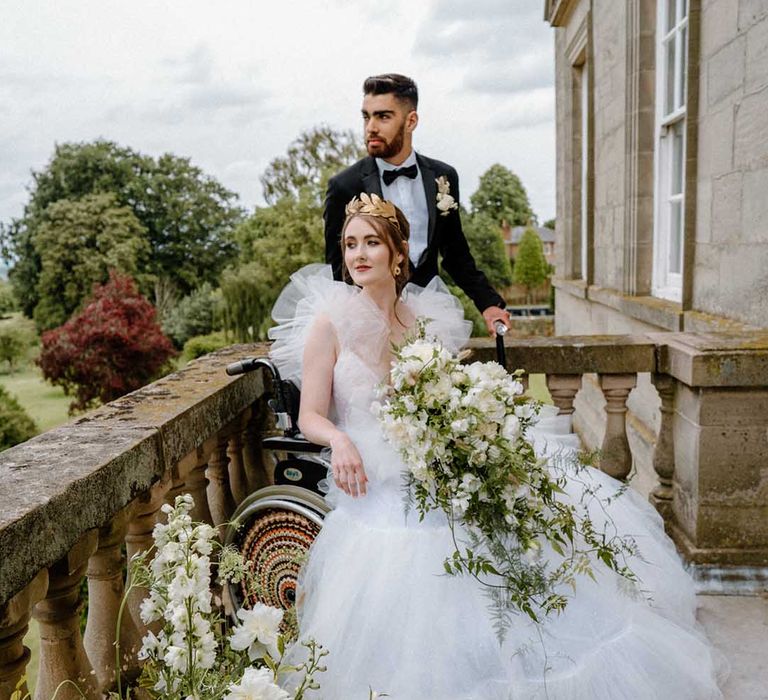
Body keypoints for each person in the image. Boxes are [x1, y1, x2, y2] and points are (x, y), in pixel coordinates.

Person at [270, 196, 724, 699]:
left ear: (398, 255)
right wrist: (339, 439)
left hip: (434, 471)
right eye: (351, 243)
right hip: (372, 486)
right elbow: (309, 414)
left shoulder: (425, 319)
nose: (359, 254)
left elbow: (446, 400)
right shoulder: (328, 324)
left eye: (372, 242)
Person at [324, 73, 510, 337]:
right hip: (367, 321)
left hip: (429, 316)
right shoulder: (345, 185)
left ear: (411, 121)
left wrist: (488, 303)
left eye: (383, 116)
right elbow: (337, 265)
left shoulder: (443, 178)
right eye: (367, 116)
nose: (371, 127)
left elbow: (455, 252)